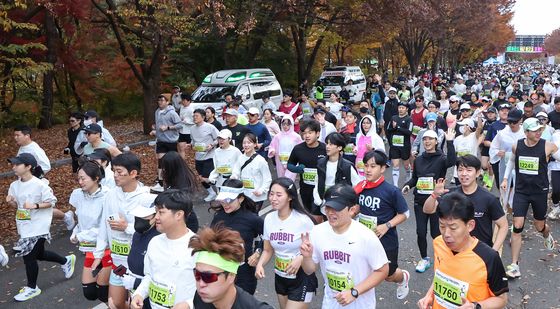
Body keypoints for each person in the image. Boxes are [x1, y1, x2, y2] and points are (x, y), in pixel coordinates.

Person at [300, 184, 389, 308]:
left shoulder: (366, 236)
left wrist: (354, 292)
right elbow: (309, 270)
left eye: (336, 208)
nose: (330, 213)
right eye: (328, 207)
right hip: (330, 303)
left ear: (352, 210)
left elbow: (383, 270)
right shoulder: (317, 232)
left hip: (360, 304)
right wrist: (307, 257)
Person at [417, 193, 508, 309]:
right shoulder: (438, 243)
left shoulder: (488, 258)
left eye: (453, 228)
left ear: (470, 225)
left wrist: (475, 306)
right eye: (442, 226)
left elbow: (502, 299)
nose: (446, 234)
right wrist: (429, 296)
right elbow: (440, 276)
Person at [6, 153, 76, 302]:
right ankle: (66, 261)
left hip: (39, 226)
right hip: (24, 225)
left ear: (28, 167)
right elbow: (16, 206)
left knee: (29, 256)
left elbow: (51, 202)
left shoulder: (39, 184)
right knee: (39, 254)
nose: (13, 167)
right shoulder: (14, 185)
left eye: (17, 164)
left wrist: (35, 205)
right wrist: (11, 201)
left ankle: (32, 288)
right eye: (13, 164)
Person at [91, 153, 156, 309]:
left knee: (137, 304)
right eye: (114, 171)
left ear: (133, 173)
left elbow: (151, 232)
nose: (115, 175)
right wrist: (98, 254)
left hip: (138, 265)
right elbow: (103, 226)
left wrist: (126, 227)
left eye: (119, 171)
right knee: (116, 303)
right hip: (117, 262)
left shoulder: (148, 198)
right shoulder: (110, 196)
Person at [500, 117, 558, 278]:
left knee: (540, 226)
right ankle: (514, 265)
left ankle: (546, 234)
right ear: (526, 132)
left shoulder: (548, 146)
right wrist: (505, 179)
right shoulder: (516, 146)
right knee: (517, 226)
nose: (539, 132)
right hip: (521, 191)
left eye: (540, 129)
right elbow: (511, 162)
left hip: (539, 192)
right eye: (535, 130)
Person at [354, 150, 411, 300]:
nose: (367, 169)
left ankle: (403, 277)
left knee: (389, 275)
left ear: (383, 168)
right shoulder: (361, 187)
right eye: (366, 165)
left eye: (373, 166)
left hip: (386, 241)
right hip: (364, 239)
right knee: (361, 271)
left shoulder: (391, 191)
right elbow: (358, 207)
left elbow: (405, 214)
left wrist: (387, 225)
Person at [255, 178, 318, 308]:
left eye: (279, 195)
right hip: (281, 277)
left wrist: (300, 258)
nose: (273, 198)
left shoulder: (303, 220)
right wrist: (260, 265)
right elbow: (268, 249)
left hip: (302, 277)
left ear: (290, 197)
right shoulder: (269, 219)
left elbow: (317, 248)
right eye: (271, 194)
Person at [423, 155, 508, 251]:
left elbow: (503, 225)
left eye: (469, 170)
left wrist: (494, 251)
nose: (464, 174)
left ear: (477, 173)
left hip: (480, 252)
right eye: (460, 170)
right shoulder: (450, 194)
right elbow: (427, 210)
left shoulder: (489, 198)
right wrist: (434, 194)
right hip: (454, 251)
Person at [131, 190, 197, 309]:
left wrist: (188, 304)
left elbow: (208, 288)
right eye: (156, 212)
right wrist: (139, 294)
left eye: (161, 212)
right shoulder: (154, 242)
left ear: (179, 215)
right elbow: (149, 275)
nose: (156, 217)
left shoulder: (197, 247)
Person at [402, 129, 456, 273]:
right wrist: (407, 185)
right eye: (425, 139)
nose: (427, 142)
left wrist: (450, 142)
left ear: (436, 142)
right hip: (420, 201)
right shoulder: (419, 159)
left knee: (436, 233)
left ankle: (443, 258)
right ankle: (424, 258)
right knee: (420, 232)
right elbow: (415, 178)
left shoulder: (442, 158)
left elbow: (452, 161)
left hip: (436, 201)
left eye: (430, 139)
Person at [191, 226, 274, 308]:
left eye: (208, 277)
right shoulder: (200, 298)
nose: (201, 284)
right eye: (197, 274)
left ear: (231, 276)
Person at [211, 179, 264, 295]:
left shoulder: (252, 219)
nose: (225, 204)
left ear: (241, 198)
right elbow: (211, 238)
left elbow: (268, 238)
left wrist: (257, 252)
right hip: (221, 270)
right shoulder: (218, 216)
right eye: (222, 200)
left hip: (243, 273)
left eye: (229, 200)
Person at [69, 160, 111, 303]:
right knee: (90, 293)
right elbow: (80, 221)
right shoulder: (78, 194)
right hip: (89, 249)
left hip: (106, 249)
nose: (80, 182)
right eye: (78, 178)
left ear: (96, 178)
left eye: (83, 178)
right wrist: (75, 233)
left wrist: (81, 236)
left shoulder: (107, 196)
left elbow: (105, 227)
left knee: (105, 294)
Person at [313, 132, 362, 218]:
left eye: (331, 144)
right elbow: (317, 183)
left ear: (339, 147)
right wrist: (319, 201)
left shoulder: (347, 166)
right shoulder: (321, 163)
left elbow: (357, 185)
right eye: (327, 143)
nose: (327, 146)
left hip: (341, 205)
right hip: (324, 203)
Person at [287, 119, 327, 218]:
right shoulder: (298, 149)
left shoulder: (325, 149)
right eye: (304, 133)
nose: (307, 136)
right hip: (305, 189)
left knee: (318, 215)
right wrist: (296, 169)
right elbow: (289, 164)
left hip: (321, 189)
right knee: (309, 214)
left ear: (317, 133)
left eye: (310, 132)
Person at [123, 203, 160, 309]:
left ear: (155, 217)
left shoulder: (158, 238)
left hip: (149, 295)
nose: (139, 219)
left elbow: (160, 275)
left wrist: (136, 282)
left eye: (144, 217)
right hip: (134, 291)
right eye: (137, 216)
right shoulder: (137, 234)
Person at [149, 94, 183, 191]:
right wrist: (155, 129)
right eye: (159, 100)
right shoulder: (157, 112)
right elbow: (159, 124)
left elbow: (180, 125)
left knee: (171, 162)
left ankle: (175, 181)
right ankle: (160, 183)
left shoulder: (172, 113)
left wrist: (168, 127)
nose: (160, 102)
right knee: (161, 161)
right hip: (161, 140)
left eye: (162, 100)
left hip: (171, 141)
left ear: (167, 102)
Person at [160, 151, 200, 232]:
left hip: (186, 222)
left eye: (165, 167)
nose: (163, 169)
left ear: (172, 167)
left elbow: (178, 203)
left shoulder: (184, 184)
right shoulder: (175, 177)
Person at [231, 133, 272, 211]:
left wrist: (261, 190)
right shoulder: (240, 158)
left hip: (256, 196)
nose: (246, 145)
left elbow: (267, 178)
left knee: (253, 216)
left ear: (255, 144)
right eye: (244, 143)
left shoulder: (260, 160)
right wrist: (234, 176)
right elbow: (236, 171)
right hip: (244, 194)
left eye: (249, 143)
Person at [190, 108, 220, 202]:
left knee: (208, 177)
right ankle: (211, 193)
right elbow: (193, 141)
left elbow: (219, 138)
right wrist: (192, 146)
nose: (194, 118)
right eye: (193, 116)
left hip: (210, 156)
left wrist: (212, 145)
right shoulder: (192, 128)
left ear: (203, 117)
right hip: (198, 156)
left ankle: (219, 192)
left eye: (196, 116)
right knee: (200, 177)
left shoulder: (210, 127)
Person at [386, 101, 413, 185]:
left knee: (405, 164)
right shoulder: (393, 118)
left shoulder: (409, 119)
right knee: (395, 164)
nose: (400, 109)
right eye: (399, 108)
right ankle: (395, 184)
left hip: (405, 145)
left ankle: (409, 173)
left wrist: (397, 127)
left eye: (403, 108)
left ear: (406, 109)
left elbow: (409, 132)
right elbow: (388, 129)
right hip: (394, 146)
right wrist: (393, 128)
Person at [268, 116, 302, 181]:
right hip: (280, 160)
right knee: (281, 179)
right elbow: (272, 146)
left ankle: (289, 190)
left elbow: (300, 147)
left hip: (292, 161)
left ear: (291, 125)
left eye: (288, 124)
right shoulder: (277, 136)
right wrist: (272, 151)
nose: (285, 126)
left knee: (289, 179)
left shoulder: (296, 136)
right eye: (284, 124)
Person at [178, 93, 195, 160]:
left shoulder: (192, 110)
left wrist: (187, 121)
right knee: (181, 147)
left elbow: (195, 121)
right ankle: (182, 163)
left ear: (188, 101)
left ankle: (194, 160)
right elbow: (180, 117)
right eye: (182, 100)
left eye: (184, 100)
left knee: (192, 148)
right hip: (181, 130)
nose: (182, 102)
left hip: (189, 131)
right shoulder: (182, 107)